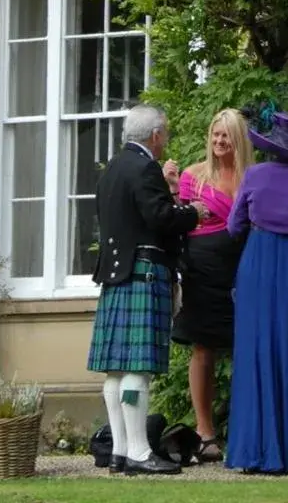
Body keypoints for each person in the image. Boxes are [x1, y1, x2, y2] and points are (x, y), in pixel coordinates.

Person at [86, 104, 205, 476]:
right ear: (155, 136)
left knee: (116, 371)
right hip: (144, 271)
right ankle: (139, 452)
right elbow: (160, 218)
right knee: (137, 366)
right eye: (164, 133)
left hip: (115, 273)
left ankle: (120, 452)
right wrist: (193, 212)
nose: (165, 138)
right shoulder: (144, 167)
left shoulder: (111, 171)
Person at [225, 113, 288, 475]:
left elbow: (233, 226)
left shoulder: (255, 176)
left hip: (258, 261)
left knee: (257, 351)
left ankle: (255, 449)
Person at [170, 109, 254, 462]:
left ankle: (247, 429)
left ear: (239, 140)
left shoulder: (253, 176)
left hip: (244, 266)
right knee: (203, 348)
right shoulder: (194, 175)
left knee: (245, 348)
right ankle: (205, 431)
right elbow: (186, 222)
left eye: (227, 136)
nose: (220, 142)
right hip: (202, 270)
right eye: (216, 135)